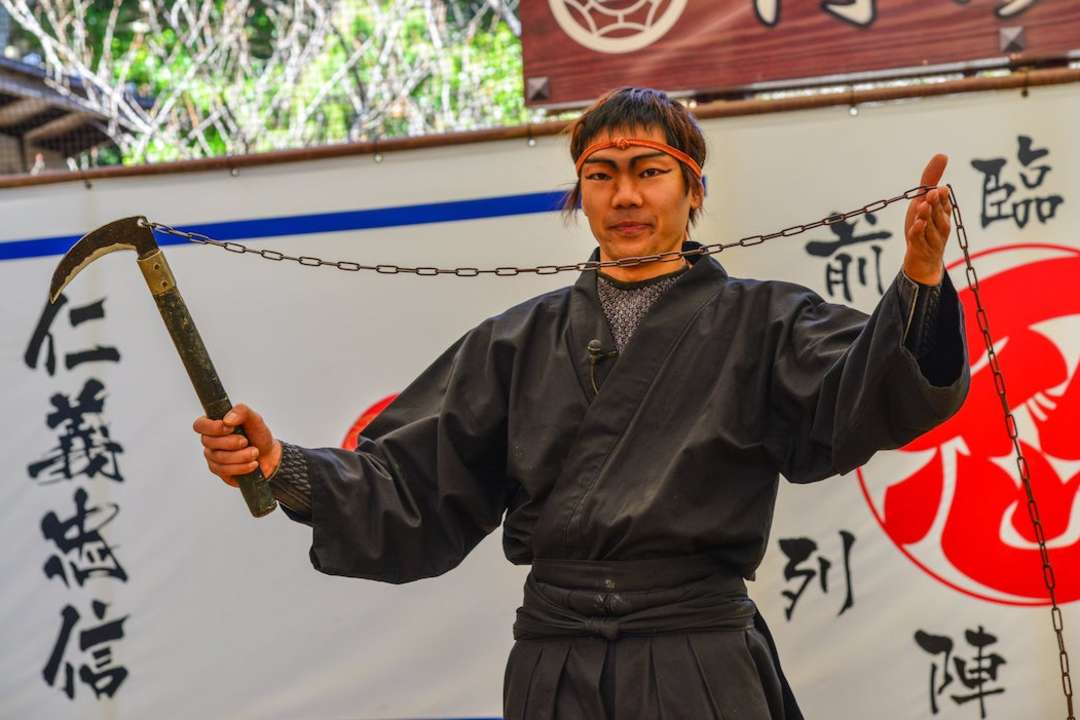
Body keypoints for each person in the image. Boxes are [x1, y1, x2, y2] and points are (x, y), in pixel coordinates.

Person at [193, 87, 969, 719]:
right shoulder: (516, 342)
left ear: (694, 187)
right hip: (554, 666)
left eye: (648, 170)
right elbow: (410, 482)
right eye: (601, 174)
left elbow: (861, 395)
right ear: (581, 193)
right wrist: (283, 464)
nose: (624, 194)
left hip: (696, 656)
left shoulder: (765, 322)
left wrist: (921, 282)